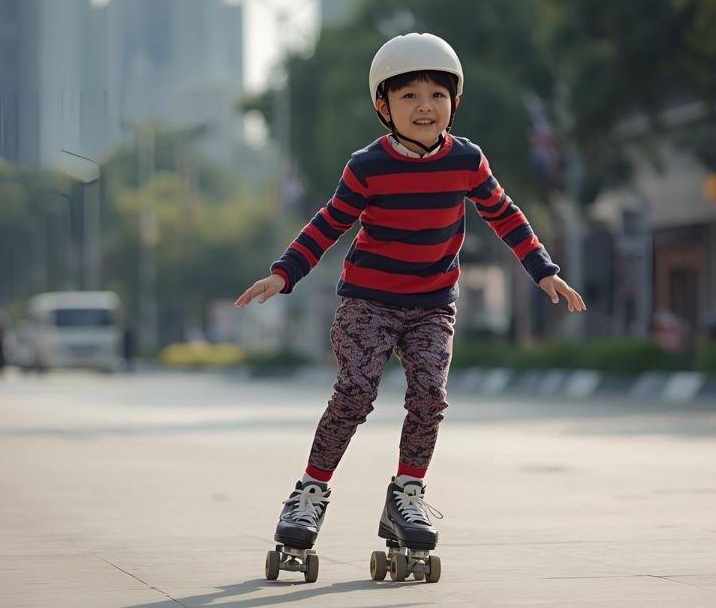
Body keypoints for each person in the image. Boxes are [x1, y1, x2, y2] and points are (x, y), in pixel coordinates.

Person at [235, 33, 586, 572]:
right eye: (409, 96)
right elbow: (329, 222)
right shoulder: (367, 166)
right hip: (368, 302)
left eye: (437, 95)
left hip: (432, 305)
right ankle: (309, 494)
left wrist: (543, 270)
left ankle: (407, 495)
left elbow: (504, 213)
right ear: (384, 106)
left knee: (429, 395)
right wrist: (285, 273)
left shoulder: (466, 159)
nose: (425, 107)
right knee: (355, 392)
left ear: (454, 102)